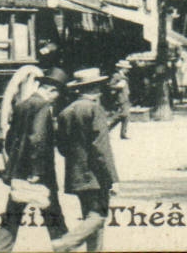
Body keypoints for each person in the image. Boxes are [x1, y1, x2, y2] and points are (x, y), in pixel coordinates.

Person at [0, 67, 70, 252]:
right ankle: (66, 249)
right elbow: (37, 138)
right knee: (54, 216)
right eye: (56, 95)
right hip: (39, 174)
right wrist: (36, 171)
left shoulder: (22, 105)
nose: (55, 99)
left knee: (11, 217)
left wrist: (15, 163)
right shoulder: (43, 106)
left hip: (18, 172)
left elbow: (10, 139)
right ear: (51, 90)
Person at [53, 68, 119, 253]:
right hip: (96, 175)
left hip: (76, 174)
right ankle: (67, 242)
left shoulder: (66, 111)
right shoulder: (94, 109)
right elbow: (101, 149)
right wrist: (112, 179)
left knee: (90, 216)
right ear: (95, 88)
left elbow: (62, 147)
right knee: (98, 216)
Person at [108, 61, 132, 140]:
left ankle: (123, 134)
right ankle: (107, 128)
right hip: (120, 98)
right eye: (127, 68)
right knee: (123, 115)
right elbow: (111, 86)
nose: (128, 70)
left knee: (126, 116)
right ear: (122, 68)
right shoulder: (116, 76)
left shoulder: (123, 76)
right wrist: (119, 86)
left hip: (125, 97)